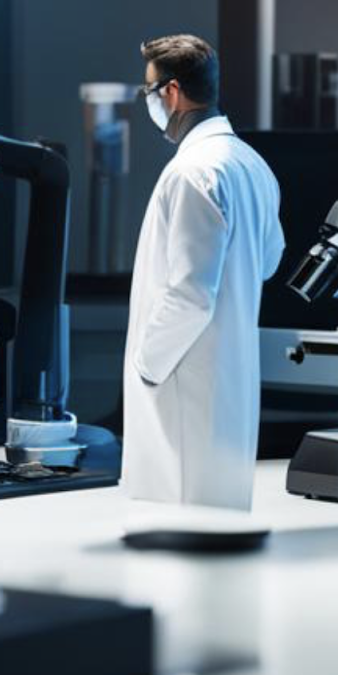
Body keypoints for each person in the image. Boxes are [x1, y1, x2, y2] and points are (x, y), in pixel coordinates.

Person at [123, 34, 284, 510]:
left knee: (179, 532)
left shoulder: (193, 171)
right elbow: (270, 260)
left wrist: (147, 364)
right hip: (228, 384)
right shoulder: (252, 165)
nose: (149, 103)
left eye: (147, 92)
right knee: (221, 531)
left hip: (179, 381)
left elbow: (191, 295)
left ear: (171, 92)